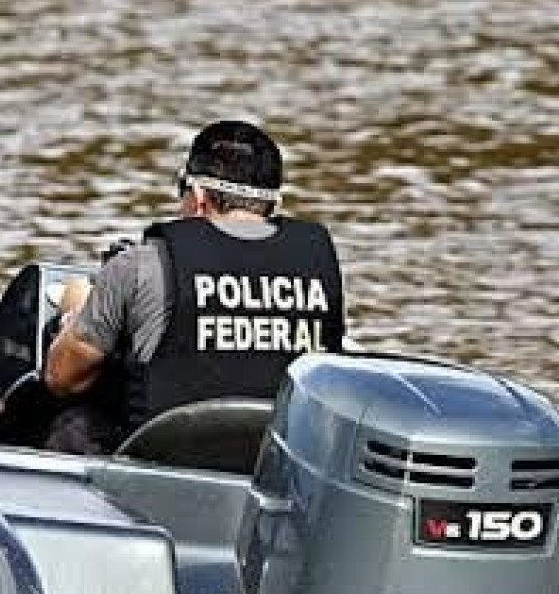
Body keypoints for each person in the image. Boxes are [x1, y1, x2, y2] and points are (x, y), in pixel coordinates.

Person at [41, 120, 346, 453]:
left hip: (165, 472)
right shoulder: (319, 268)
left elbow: (62, 379)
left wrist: (73, 313)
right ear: (275, 205)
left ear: (198, 197)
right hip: (280, 465)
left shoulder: (139, 266)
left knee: (73, 425)